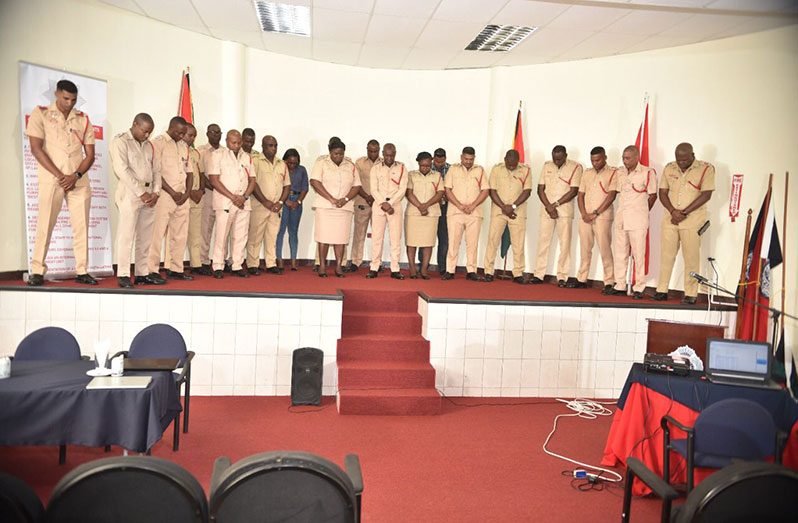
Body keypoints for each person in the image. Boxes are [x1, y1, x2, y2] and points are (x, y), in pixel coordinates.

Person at [25, 79, 96, 286]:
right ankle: (37, 270)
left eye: (73, 100)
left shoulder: (83, 119)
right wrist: (61, 176)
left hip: (78, 180)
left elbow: (90, 154)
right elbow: (37, 149)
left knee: (81, 226)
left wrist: (75, 176)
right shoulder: (41, 114)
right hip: (52, 178)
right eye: (65, 98)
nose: (69, 103)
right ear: (57, 94)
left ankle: (82, 270)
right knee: (45, 223)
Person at [654, 143, 715, 304]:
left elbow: (706, 195)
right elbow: (662, 192)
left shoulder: (705, 169)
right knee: (666, 256)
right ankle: (661, 290)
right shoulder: (669, 168)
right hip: (670, 219)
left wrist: (683, 213)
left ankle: (690, 293)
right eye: (678, 159)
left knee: (691, 258)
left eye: (684, 159)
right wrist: (673, 211)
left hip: (692, 220)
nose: (680, 162)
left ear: (692, 156)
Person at [109, 113, 165, 288]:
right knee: (126, 235)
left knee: (146, 236)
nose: (147, 135)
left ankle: (142, 273)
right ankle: (124, 274)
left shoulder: (150, 146)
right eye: (144, 131)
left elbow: (157, 170)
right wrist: (141, 193)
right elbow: (122, 170)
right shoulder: (120, 142)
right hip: (130, 193)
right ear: (135, 124)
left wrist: (155, 192)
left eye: (150, 132)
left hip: (149, 194)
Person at [147, 116, 193, 280]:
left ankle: (176, 268)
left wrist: (187, 193)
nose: (182, 136)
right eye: (180, 133)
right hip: (165, 196)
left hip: (182, 197)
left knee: (180, 234)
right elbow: (156, 172)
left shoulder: (183, 146)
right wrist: (173, 193)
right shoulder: (157, 143)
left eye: (184, 133)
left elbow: (190, 172)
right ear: (172, 128)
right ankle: (151, 270)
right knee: (157, 234)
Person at [531, 145, 583, 286]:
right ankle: (538, 274)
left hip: (564, 211)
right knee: (543, 242)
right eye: (554, 158)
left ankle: (562, 276)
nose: (557, 161)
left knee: (565, 244)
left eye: (559, 159)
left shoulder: (576, 167)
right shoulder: (547, 165)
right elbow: (540, 188)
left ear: (565, 156)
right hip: (546, 210)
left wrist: (554, 205)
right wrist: (549, 206)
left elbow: (573, 191)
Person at [610, 145, 657, 299]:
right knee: (620, 253)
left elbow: (653, 195)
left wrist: (642, 211)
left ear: (637, 157)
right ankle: (620, 284)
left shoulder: (647, 173)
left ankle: (639, 287)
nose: (625, 161)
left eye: (628, 158)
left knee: (638, 254)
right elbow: (617, 193)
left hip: (637, 220)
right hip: (621, 218)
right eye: (623, 158)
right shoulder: (620, 172)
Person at [208, 130, 256, 278]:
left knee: (241, 235)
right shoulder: (217, 155)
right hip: (225, 202)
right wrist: (233, 197)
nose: (236, 145)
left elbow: (252, 180)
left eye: (238, 142)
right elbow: (214, 180)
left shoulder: (246, 157)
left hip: (243, 202)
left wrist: (244, 196)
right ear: (227, 141)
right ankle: (218, 265)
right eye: (233, 142)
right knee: (221, 235)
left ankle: (237, 264)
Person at [310, 140, 361, 278]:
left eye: (341, 154)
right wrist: (331, 199)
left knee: (341, 238)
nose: (338, 156)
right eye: (336, 154)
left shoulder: (350, 165)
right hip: (325, 206)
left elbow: (357, 186)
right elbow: (314, 181)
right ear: (330, 152)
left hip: (344, 208)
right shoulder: (321, 163)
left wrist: (345, 199)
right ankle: (322, 266)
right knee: (323, 237)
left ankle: (339, 266)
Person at [483, 149, 532, 284]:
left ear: (518, 160)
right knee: (492, 240)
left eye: (514, 164)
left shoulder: (526, 170)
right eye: (509, 164)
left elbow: (527, 191)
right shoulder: (496, 169)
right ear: (505, 159)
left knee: (518, 243)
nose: (511, 166)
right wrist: (504, 207)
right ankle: (488, 271)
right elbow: (492, 191)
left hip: (518, 212)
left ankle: (518, 273)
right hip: (499, 211)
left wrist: (513, 207)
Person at [574, 146, 617, 293]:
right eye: (592, 160)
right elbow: (580, 195)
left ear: (605, 158)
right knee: (585, 249)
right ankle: (581, 279)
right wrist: (584, 213)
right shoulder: (587, 173)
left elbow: (611, 196)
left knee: (605, 249)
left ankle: (609, 281)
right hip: (585, 217)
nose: (595, 163)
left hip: (602, 217)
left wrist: (596, 213)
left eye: (598, 160)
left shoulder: (613, 173)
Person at [443, 146, 489, 281]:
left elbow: (485, 191)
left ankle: (471, 271)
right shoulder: (453, 169)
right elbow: (447, 189)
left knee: (472, 243)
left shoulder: (480, 170)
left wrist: (473, 205)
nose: (468, 161)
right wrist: (460, 205)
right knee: (453, 242)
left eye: (471, 159)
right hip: (455, 212)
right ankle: (450, 270)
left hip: (474, 213)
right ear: (461, 157)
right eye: (466, 159)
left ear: (474, 158)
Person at [246, 135, 289, 275]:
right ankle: (253, 264)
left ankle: (271, 263)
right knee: (255, 236)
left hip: (276, 208)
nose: (274, 148)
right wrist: (265, 201)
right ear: (263, 146)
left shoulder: (282, 163)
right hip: (259, 205)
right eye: (270, 145)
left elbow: (287, 186)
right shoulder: (256, 161)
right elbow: (253, 183)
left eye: (275, 145)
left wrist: (280, 202)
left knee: (272, 236)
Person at [366, 143, 407, 279]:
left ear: (395, 153)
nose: (389, 158)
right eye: (387, 155)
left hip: (395, 205)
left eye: (392, 155)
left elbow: (402, 189)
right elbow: (373, 189)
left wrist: (389, 203)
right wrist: (383, 203)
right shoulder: (376, 168)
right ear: (383, 154)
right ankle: (374, 267)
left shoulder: (402, 167)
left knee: (395, 238)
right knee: (377, 237)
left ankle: (395, 268)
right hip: (378, 205)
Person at [405, 151, 444, 279]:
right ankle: (412, 268)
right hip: (414, 213)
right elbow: (409, 193)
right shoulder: (411, 175)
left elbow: (439, 194)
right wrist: (420, 206)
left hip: (431, 214)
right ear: (418, 163)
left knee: (428, 242)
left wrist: (426, 205)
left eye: (427, 165)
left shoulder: (437, 176)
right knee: (411, 242)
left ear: (431, 163)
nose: (425, 168)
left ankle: (424, 269)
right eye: (422, 165)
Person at [344, 139, 380, 273]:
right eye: (370, 151)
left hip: (379, 203)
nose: (373, 154)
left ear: (379, 150)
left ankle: (376, 262)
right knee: (359, 233)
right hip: (362, 201)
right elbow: (356, 182)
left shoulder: (383, 163)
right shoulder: (359, 162)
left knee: (377, 234)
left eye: (375, 151)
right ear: (367, 149)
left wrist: (376, 198)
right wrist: (367, 197)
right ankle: (355, 261)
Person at [195, 123, 222, 275]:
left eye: (218, 132)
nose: (215, 135)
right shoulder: (200, 151)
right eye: (212, 132)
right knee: (205, 230)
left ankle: (221, 260)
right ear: (207, 133)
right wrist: (217, 187)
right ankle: (203, 261)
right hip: (208, 194)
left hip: (224, 197)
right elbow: (200, 175)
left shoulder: (226, 152)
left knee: (223, 231)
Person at [276, 148, 308, 271]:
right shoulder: (280, 168)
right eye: (290, 163)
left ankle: (294, 261)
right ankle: (279, 261)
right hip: (283, 199)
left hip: (297, 201)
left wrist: (298, 202)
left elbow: (305, 187)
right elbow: (278, 186)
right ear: (285, 161)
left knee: (293, 232)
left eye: (295, 163)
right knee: (280, 231)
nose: (292, 165)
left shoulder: (302, 170)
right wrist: (285, 201)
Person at [184, 123, 205, 273]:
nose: (192, 138)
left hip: (197, 197)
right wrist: (189, 192)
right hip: (183, 197)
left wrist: (201, 190)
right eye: (189, 135)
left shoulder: (195, 153)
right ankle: (172, 266)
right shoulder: (176, 151)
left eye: (194, 136)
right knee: (177, 234)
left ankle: (196, 264)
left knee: (196, 233)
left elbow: (201, 173)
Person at [430, 148, 450, 272]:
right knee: (426, 236)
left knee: (444, 238)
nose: (439, 164)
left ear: (445, 159)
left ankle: (442, 267)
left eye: (441, 163)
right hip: (430, 205)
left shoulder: (452, 169)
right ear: (433, 159)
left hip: (446, 207)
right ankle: (423, 265)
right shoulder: (427, 168)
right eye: (437, 162)